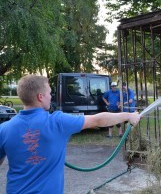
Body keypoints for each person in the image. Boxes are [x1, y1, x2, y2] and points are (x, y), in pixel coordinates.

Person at [0, 75, 140, 194]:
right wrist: (129, 116)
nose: (51, 96)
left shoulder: (4, 129)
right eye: (49, 93)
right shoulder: (57, 122)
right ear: (40, 97)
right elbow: (98, 120)